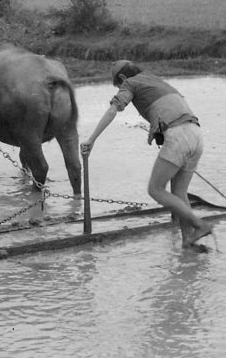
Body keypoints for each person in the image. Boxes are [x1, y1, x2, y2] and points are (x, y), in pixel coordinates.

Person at [80, 60, 214, 248]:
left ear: (122, 78)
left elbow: (114, 110)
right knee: (179, 193)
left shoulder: (130, 83)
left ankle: (199, 224)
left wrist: (91, 139)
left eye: (118, 85)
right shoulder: (154, 79)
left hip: (178, 136)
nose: (120, 88)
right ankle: (188, 241)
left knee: (155, 190)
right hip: (196, 134)